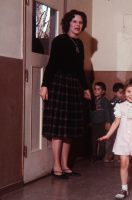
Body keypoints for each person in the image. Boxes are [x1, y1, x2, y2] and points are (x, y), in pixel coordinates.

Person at [40, 9, 91, 178]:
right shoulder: (60, 40)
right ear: (68, 22)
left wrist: (85, 89)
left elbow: (79, 70)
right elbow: (52, 63)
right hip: (59, 84)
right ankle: (56, 167)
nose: (77, 25)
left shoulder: (80, 44)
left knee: (69, 128)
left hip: (74, 86)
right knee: (59, 129)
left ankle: (65, 165)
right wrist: (44, 85)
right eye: (74, 21)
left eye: (80, 22)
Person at [90, 82, 111, 162]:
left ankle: (101, 155)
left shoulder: (105, 101)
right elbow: (91, 111)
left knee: (102, 139)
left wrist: (108, 122)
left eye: (98, 89)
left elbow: (107, 112)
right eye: (95, 89)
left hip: (102, 123)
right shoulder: (92, 100)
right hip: (94, 123)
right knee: (93, 139)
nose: (96, 91)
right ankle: (94, 155)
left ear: (103, 92)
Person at [105, 82, 125, 162]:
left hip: (121, 125)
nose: (122, 94)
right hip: (112, 124)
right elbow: (107, 112)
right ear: (115, 92)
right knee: (110, 140)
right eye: (120, 93)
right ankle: (108, 155)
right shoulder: (110, 103)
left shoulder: (124, 103)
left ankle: (117, 156)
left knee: (119, 140)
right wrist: (108, 122)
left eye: (123, 93)